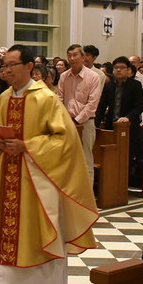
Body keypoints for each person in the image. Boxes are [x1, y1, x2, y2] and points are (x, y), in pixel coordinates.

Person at [0, 45, 98, 284]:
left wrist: (27, 146)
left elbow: (65, 141)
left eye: (12, 65)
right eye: (4, 65)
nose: (6, 70)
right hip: (7, 177)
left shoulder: (46, 99)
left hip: (37, 180)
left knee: (33, 235)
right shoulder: (5, 97)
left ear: (29, 67)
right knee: (2, 234)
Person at [57, 44, 103, 186]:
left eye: (75, 55)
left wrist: (76, 120)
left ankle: (87, 194)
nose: (72, 58)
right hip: (67, 122)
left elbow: (92, 104)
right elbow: (59, 99)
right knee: (67, 159)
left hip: (85, 123)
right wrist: (66, 119)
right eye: (69, 55)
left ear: (83, 57)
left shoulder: (93, 77)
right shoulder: (64, 76)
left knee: (86, 159)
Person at [96, 56, 143, 184]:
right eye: (116, 68)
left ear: (128, 70)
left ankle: (124, 184)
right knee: (110, 155)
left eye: (122, 68)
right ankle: (111, 183)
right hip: (111, 126)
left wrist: (127, 117)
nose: (118, 70)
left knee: (127, 156)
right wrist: (96, 124)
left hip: (129, 127)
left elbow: (139, 107)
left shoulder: (135, 85)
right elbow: (102, 106)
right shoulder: (109, 85)